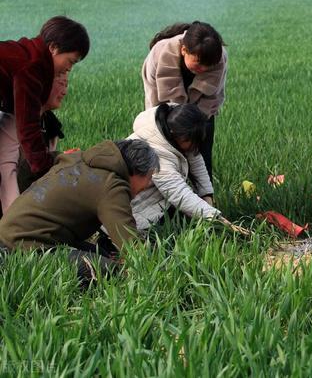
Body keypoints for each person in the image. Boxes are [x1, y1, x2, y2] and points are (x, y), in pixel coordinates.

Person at [0, 139, 159, 286]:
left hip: (11, 231)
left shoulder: (77, 159)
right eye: (149, 177)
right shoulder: (111, 185)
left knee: (101, 253)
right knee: (110, 270)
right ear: (138, 171)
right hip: (24, 247)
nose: (147, 185)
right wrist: (157, 268)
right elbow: (131, 246)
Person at [0, 16, 90, 213]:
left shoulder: (25, 53)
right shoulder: (32, 68)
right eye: (71, 61)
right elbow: (27, 126)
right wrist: (46, 165)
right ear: (53, 48)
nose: (69, 69)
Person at [129, 103, 244, 234]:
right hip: (133, 216)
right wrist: (221, 222)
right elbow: (179, 193)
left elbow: (195, 158)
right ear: (175, 134)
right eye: (191, 141)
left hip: (154, 206)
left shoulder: (174, 127)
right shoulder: (155, 152)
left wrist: (207, 195)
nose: (194, 146)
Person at [141, 21, 227, 183]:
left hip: (202, 109)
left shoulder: (219, 58)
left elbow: (213, 97)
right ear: (183, 50)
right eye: (199, 62)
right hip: (162, 102)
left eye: (209, 66)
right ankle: (166, 195)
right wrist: (165, 128)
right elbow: (154, 101)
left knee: (201, 152)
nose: (204, 68)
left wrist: (195, 126)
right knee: (165, 153)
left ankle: (204, 198)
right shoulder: (160, 54)